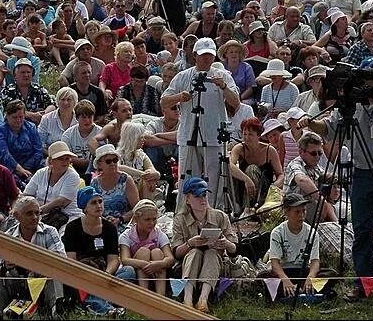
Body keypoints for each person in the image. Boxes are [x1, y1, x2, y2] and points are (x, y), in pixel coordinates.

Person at [305, 67, 373, 302]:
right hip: (363, 173)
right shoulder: (351, 104)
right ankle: (364, 284)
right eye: (369, 86)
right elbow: (330, 129)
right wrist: (310, 124)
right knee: (362, 231)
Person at [161, 37, 240, 211]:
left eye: (210, 56)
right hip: (188, 134)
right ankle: (184, 212)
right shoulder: (183, 76)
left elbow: (236, 103)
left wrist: (224, 87)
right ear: (195, 55)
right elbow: (164, 101)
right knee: (186, 177)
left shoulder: (223, 76)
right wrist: (180, 97)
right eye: (203, 55)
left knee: (214, 178)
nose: (207, 59)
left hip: (214, 135)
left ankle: (213, 212)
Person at [0, 196, 66, 320]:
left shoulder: (50, 231)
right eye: (29, 213)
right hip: (16, 286)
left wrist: (38, 266)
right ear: (17, 216)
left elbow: (61, 262)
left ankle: (56, 311)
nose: (34, 217)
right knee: (1, 279)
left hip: (43, 286)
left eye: (37, 213)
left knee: (54, 276)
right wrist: (5, 267)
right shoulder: (7, 237)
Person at [171, 176, 238, 313]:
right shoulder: (180, 219)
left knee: (211, 253)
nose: (203, 199)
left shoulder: (220, 216)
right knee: (195, 252)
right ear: (187, 199)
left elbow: (234, 249)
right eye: (197, 196)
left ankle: (203, 299)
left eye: (204, 195)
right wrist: (190, 243)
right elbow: (176, 253)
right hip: (189, 262)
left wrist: (226, 244)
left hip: (216, 262)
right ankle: (188, 299)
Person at [257, 193, 337, 299]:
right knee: (263, 276)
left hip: (304, 271)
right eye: (297, 212)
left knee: (332, 274)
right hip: (284, 271)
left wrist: (310, 277)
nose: (302, 215)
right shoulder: (278, 232)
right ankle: (300, 291)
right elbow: (275, 263)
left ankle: (296, 291)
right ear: (287, 212)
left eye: (304, 211)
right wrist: (285, 280)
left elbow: (315, 261)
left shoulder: (312, 232)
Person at [63, 186, 126, 315]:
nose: (98, 205)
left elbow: (114, 259)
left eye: (100, 201)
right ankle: (109, 309)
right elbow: (71, 260)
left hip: (105, 272)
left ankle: (102, 302)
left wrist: (106, 275)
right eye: (93, 202)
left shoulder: (109, 228)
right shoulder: (72, 228)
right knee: (80, 284)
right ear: (84, 208)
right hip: (84, 273)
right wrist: (90, 275)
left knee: (128, 272)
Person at [118, 199, 175, 296]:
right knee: (143, 251)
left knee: (157, 252)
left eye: (154, 219)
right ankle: (144, 294)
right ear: (137, 218)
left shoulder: (159, 234)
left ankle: (160, 296)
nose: (152, 223)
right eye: (147, 220)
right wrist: (145, 264)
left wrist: (159, 263)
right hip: (138, 273)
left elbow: (170, 258)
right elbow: (124, 259)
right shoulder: (126, 235)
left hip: (156, 270)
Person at [229, 117, 284, 215]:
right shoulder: (239, 148)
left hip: (264, 189)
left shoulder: (269, 150)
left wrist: (274, 186)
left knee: (252, 169)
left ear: (258, 135)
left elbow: (280, 174)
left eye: (250, 134)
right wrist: (247, 179)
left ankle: (252, 209)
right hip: (244, 189)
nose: (246, 137)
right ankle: (247, 208)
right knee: (249, 170)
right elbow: (230, 165)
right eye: (244, 134)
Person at [23, 141, 82, 230]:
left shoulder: (73, 176)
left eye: (67, 158)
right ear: (51, 160)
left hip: (68, 216)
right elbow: (27, 195)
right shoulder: (41, 173)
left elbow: (61, 202)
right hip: (42, 215)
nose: (65, 162)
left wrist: (36, 211)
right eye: (61, 159)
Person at [0, 100, 45, 186]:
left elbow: (38, 150)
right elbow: (3, 154)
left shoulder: (31, 127)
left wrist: (26, 168)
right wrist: (18, 168)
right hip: (8, 166)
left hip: (30, 165)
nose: (18, 120)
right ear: (7, 116)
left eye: (21, 117)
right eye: (14, 117)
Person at [89, 144, 140, 229]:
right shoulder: (94, 183)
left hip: (123, 223)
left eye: (115, 160)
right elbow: (91, 208)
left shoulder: (126, 179)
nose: (112, 163)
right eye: (108, 161)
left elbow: (137, 208)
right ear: (99, 164)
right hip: (101, 224)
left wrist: (119, 219)